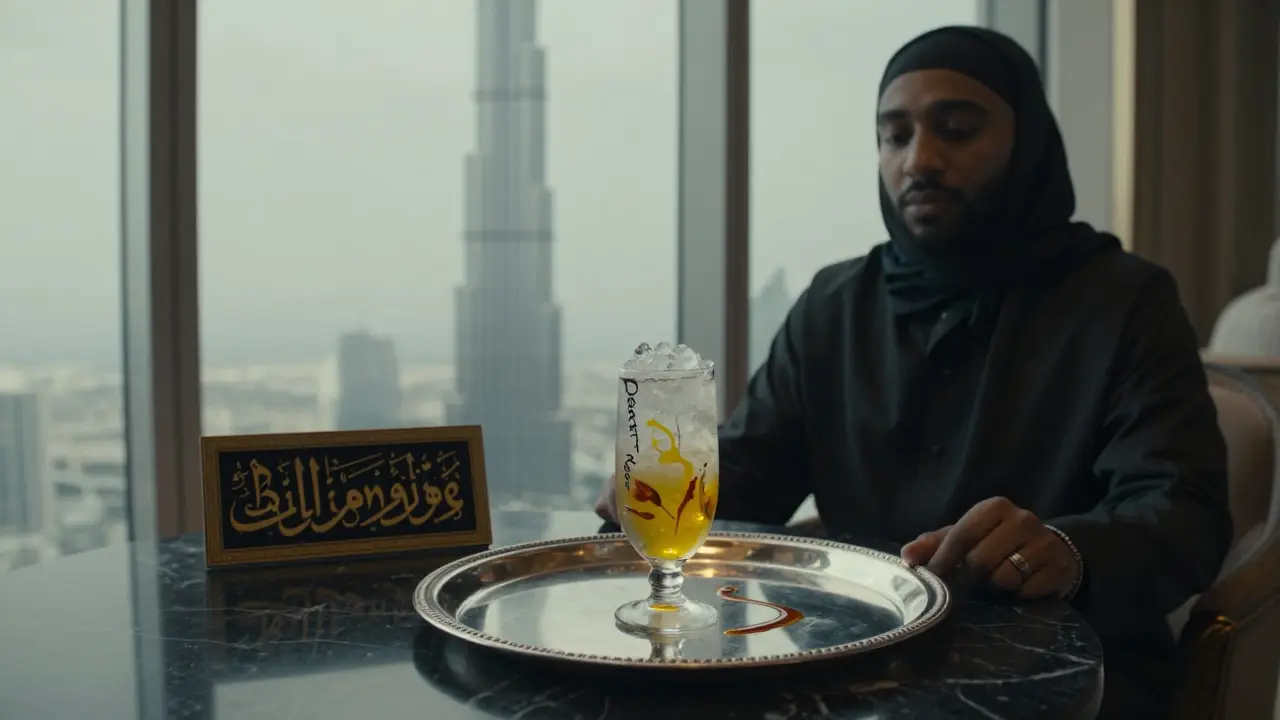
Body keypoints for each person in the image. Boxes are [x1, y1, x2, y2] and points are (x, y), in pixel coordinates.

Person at [596, 26, 1232, 717]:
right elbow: (753, 472)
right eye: (894, 137)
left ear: (1029, 145)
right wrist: (658, 498)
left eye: (957, 130)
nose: (920, 160)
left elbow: (1182, 515)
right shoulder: (834, 306)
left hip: (1066, 676)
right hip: (855, 672)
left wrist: (1067, 552)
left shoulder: (1123, 301)